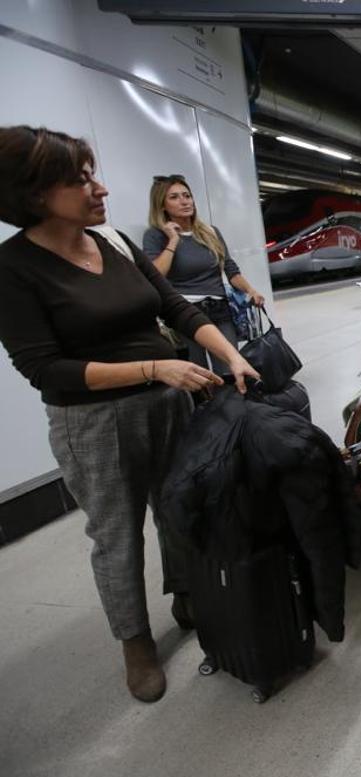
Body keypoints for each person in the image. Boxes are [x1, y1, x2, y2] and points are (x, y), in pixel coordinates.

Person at [0, 126, 260, 703]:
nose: (101, 187)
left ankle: (187, 593)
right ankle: (136, 643)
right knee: (117, 535)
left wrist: (232, 355)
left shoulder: (115, 243)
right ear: (35, 194)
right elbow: (46, 369)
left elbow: (176, 309)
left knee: (178, 508)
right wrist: (154, 369)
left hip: (167, 402)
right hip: (93, 421)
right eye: (81, 178)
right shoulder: (14, 268)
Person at [143, 174, 266, 370]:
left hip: (220, 308)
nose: (184, 201)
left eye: (187, 195)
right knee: (198, 372)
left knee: (230, 367)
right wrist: (173, 240)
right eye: (174, 197)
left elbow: (230, 268)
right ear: (162, 206)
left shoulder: (210, 232)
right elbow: (156, 274)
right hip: (186, 312)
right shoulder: (155, 236)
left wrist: (250, 290)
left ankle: (233, 401)